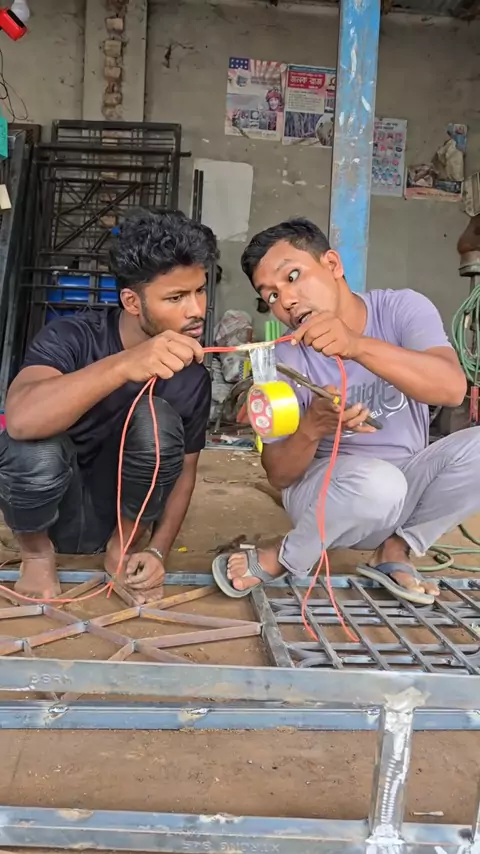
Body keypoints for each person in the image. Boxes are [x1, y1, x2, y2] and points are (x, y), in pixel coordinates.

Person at [212, 217, 478, 606]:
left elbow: (452, 388)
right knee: (379, 484)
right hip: (331, 498)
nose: (286, 301)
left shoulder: (402, 309)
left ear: (333, 264)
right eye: (270, 296)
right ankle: (287, 554)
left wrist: (356, 345)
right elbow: (280, 475)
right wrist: (313, 426)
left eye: (293, 276)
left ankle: (396, 549)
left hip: (406, 495)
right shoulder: (283, 358)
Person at [0, 208, 217, 603]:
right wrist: (123, 366)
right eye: (176, 297)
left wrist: (157, 550)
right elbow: (21, 418)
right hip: (50, 510)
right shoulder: (71, 336)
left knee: (157, 420)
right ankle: (36, 555)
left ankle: (123, 548)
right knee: (33, 439)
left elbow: (185, 473)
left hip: (123, 518)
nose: (196, 310)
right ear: (132, 301)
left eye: (200, 291)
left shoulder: (191, 374)